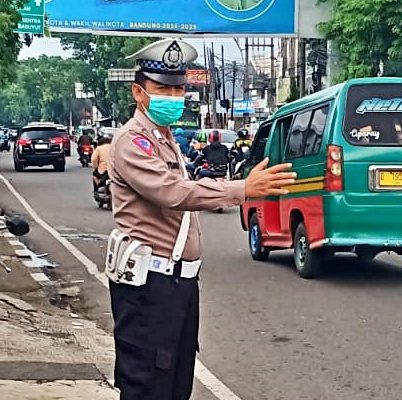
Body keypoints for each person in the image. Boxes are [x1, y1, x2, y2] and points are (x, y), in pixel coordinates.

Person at [106, 38, 295, 400]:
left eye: (179, 88)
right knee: (148, 385)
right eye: (163, 88)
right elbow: (173, 193)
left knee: (175, 384)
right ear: (138, 92)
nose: (173, 96)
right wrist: (242, 189)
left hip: (176, 285)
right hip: (149, 289)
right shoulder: (133, 141)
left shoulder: (164, 138)